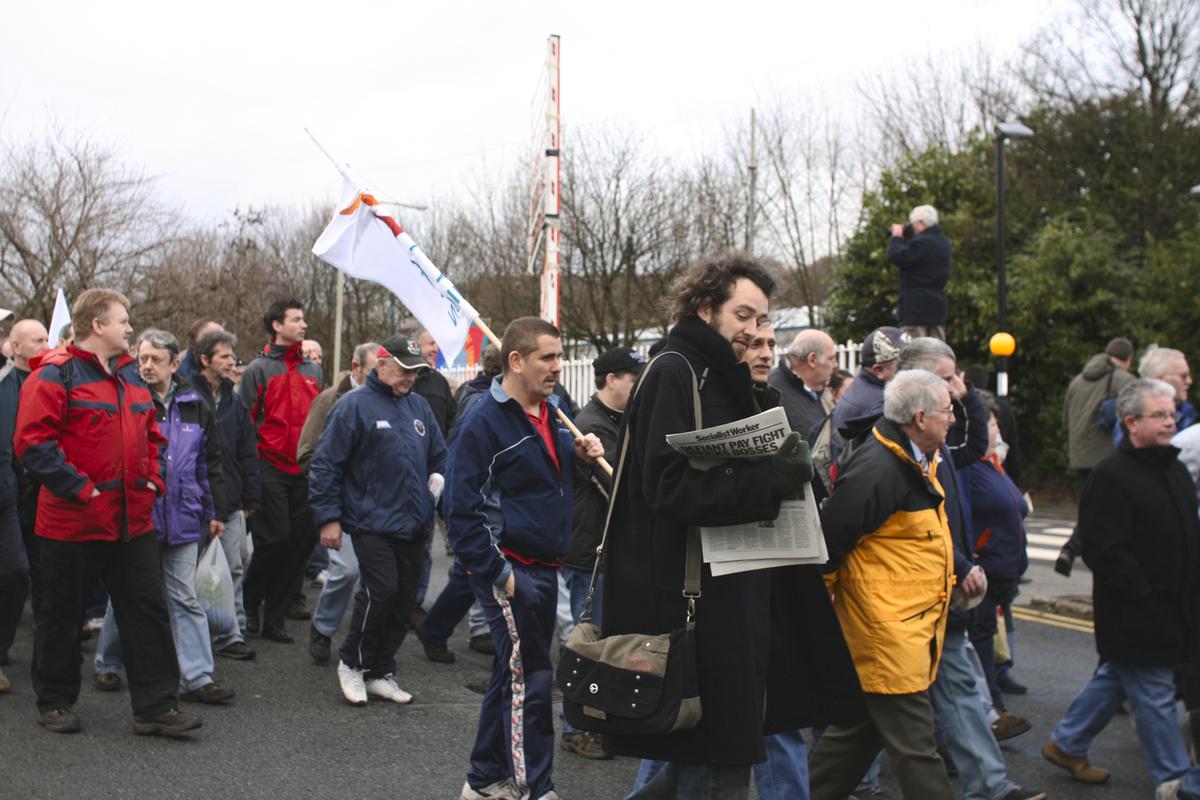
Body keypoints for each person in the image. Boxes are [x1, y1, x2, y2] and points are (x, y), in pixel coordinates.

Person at [604, 255, 863, 799]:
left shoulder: (719, 371)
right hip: (698, 603)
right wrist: (769, 479)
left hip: (740, 591)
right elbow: (666, 488)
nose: (756, 330)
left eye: (763, 319)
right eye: (744, 315)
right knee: (718, 757)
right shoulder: (675, 370)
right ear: (706, 309)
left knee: (714, 755)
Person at [14, 289, 199, 736]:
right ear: (97, 326)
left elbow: (154, 436)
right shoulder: (55, 376)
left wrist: (154, 479)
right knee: (61, 614)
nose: (130, 328)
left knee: (147, 612)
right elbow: (33, 445)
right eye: (123, 321)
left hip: (131, 521)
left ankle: (155, 707)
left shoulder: (133, 377)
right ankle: (55, 701)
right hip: (70, 522)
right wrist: (82, 490)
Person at [445, 317, 604, 800]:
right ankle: (536, 787)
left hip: (545, 564)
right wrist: (498, 574)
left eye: (559, 356)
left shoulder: (553, 411)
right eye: (547, 358)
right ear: (516, 361)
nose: (558, 367)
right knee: (531, 681)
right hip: (511, 571)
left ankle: (481, 780)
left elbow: (541, 483)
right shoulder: (482, 421)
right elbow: (459, 508)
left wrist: (578, 454)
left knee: (510, 674)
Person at [1044, 379, 1198, 796]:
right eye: (1159, 416)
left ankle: (1067, 743)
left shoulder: (1175, 468)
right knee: (1155, 695)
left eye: (1172, 414)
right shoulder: (1111, 476)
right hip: (1138, 614)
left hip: (1175, 609)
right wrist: (1145, 598)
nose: (1170, 422)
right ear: (1131, 422)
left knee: (1116, 677)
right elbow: (1105, 550)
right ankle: (1177, 780)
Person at [810, 369, 957, 800]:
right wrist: (820, 607)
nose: (953, 418)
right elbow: (831, 540)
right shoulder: (881, 467)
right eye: (947, 410)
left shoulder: (909, 457)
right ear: (920, 417)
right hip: (888, 635)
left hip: (902, 627)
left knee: (852, 741)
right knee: (918, 751)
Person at [94, 329, 234, 705]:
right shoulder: (129, 398)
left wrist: (214, 511)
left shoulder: (195, 402)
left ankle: (197, 677)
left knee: (184, 597)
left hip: (184, 517)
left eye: (156, 359)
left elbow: (208, 462)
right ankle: (107, 661)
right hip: (138, 516)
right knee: (127, 596)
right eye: (142, 358)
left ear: (175, 363)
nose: (147, 366)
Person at [309, 335, 447, 706]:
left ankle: (380, 668)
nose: (411, 378)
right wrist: (329, 519)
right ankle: (352, 662)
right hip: (371, 521)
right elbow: (326, 465)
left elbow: (439, 454)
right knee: (380, 592)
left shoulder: (418, 406)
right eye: (405, 370)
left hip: (414, 522)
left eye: (416, 372)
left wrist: (439, 479)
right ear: (381, 365)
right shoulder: (354, 406)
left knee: (404, 601)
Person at [557, 346, 644, 761]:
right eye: (633, 378)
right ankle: (575, 728)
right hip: (592, 552)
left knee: (608, 640)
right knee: (588, 642)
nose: (638, 386)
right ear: (612, 379)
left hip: (612, 549)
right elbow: (619, 486)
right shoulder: (590, 426)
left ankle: (602, 718)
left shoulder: (620, 421)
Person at [239, 299, 324, 642]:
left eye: (303, 319)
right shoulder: (259, 370)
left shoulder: (312, 371)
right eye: (296, 319)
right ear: (277, 325)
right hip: (268, 465)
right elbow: (244, 421)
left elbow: (319, 419)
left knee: (300, 544)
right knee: (274, 539)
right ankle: (249, 602)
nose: (303, 325)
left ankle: (275, 618)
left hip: (303, 469)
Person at [299, 341, 378, 665]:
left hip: (377, 505)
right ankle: (323, 627)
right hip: (343, 503)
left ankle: (368, 648)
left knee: (379, 578)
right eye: (375, 369)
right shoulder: (330, 400)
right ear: (356, 368)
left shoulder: (391, 401)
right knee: (346, 571)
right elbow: (307, 453)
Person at [192, 328, 261, 661]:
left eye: (232, 357)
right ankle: (196, 631)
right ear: (205, 359)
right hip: (194, 501)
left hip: (231, 499)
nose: (231, 363)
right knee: (193, 570)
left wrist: (251, 497)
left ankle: (232, 632)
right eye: (224, 356)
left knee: (233, 566)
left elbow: (248, 450)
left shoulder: (235, 402)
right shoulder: (188, 396)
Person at [1058, 337, 1137, 575]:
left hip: (1079, 453)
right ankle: (1074, 549)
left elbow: (1064, 421)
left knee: (1096, 506)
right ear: (1128, 360)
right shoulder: (1123, 379)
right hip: (1105, 453)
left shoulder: (1077, 381)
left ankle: (1075, 551)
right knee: (1101, 507)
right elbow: (1140, 407)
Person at [0, 320, 48, 682]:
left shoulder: (53, 382)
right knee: (15, 571)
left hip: (45, 494)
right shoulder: (4, 387)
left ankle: (52, 657)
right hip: (10, 496)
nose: (45, 344)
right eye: (37, 340)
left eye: (48, 338)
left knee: (45, 574)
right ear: (15, 347)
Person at [829, 326, 905, 468]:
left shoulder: (864, 390)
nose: (912, 371)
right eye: (903, 366)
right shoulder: (880, 404)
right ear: (879, 370)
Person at [887, 204, 951, 340]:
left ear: (921, 223)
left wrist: (897, 237)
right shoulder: (943, 242)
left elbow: (897, 256)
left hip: (916, 310)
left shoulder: (922, 243)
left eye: (913, 224)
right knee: (937, 352)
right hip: (937, 309)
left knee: (915, 353)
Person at [767, 328, 836, 443]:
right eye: (831, 358)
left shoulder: (819, 388)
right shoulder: (774, 394)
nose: (835, 365)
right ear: (812, 360)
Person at [1139, 346, 1195, 430]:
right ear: (1160, 380)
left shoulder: (1188, 413)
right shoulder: (1137, 420)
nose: (1189, 381)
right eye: (1183, 376)